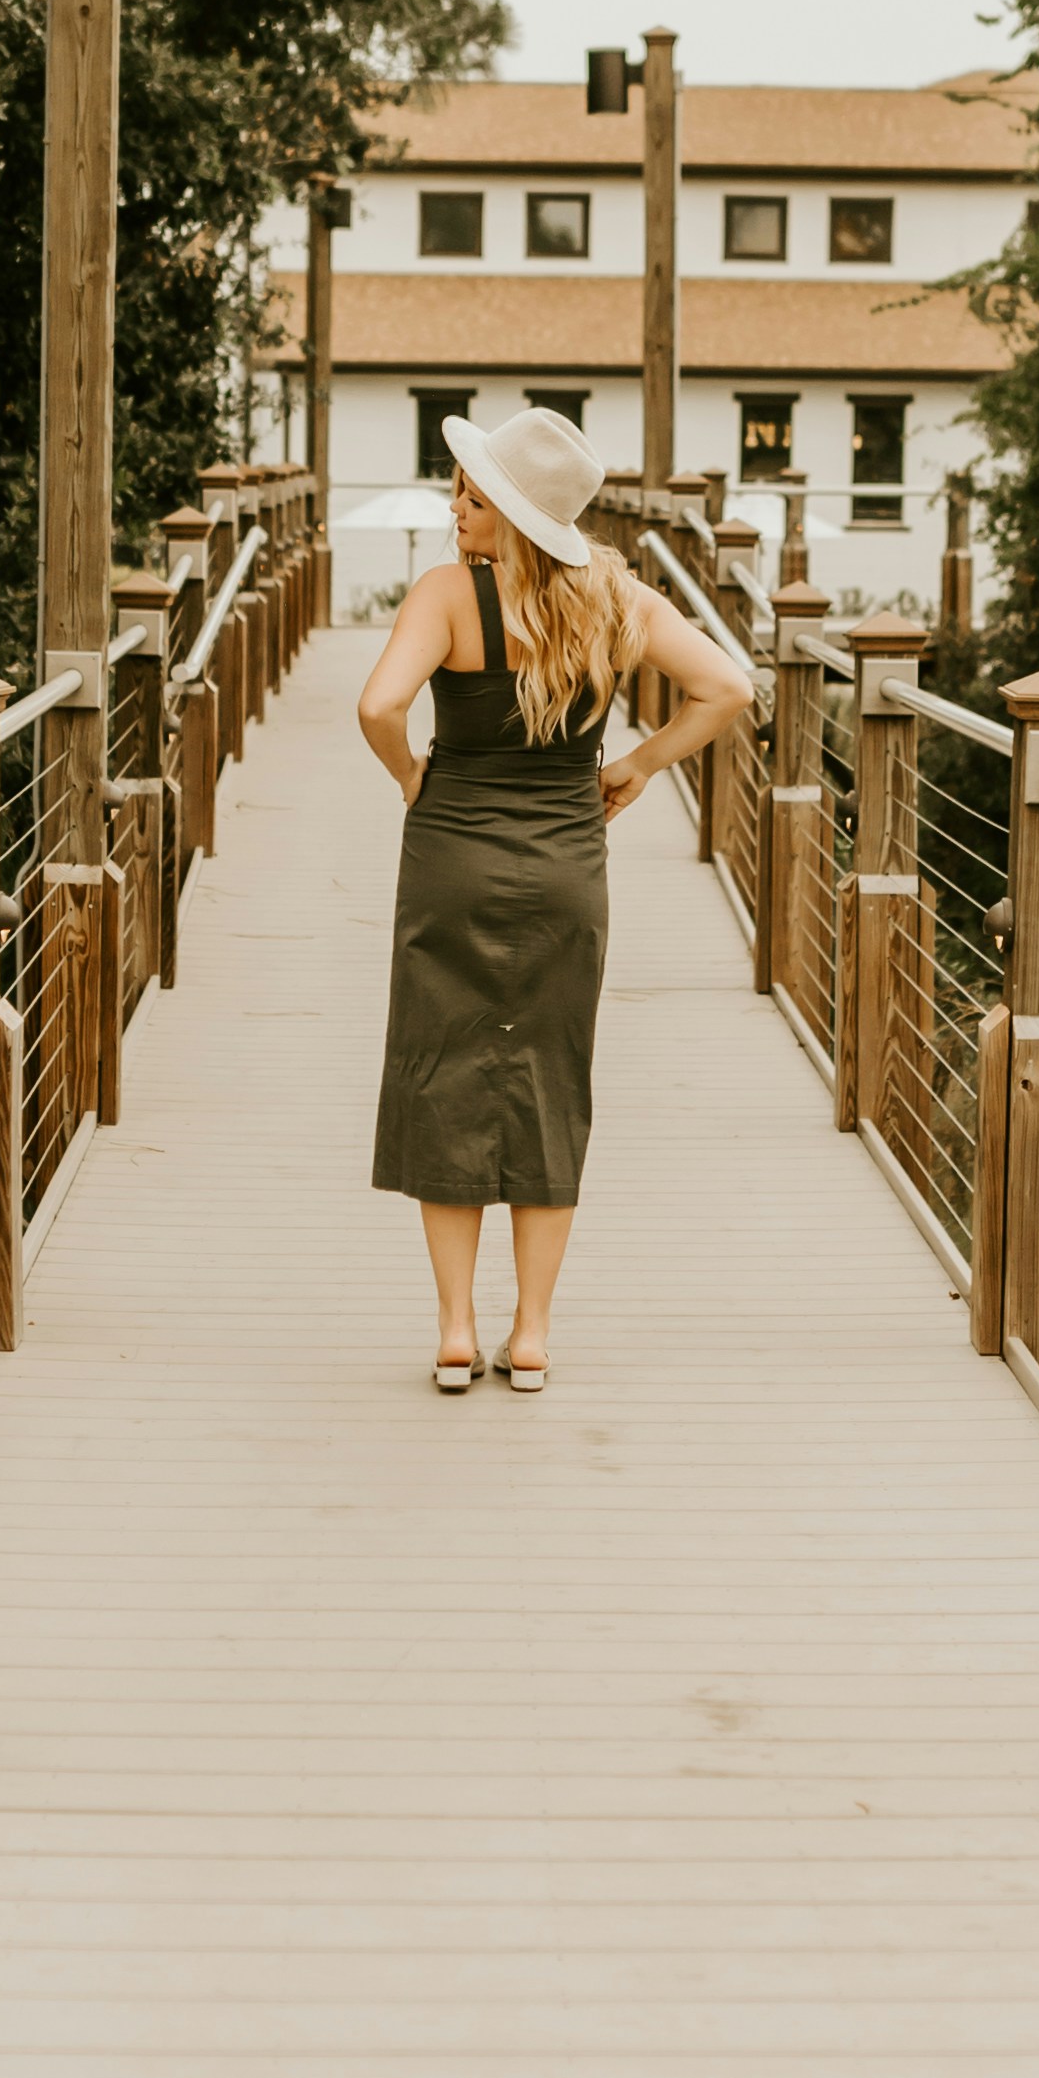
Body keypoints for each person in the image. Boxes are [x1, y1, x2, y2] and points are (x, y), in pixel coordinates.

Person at [356, 404, 750, 1391]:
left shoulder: (446, 595)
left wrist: (409, 774)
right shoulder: (618, 599)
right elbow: (729, 687)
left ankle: (456, 1330)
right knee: (549, 1079)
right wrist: (642, 762)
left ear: (514, 513)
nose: (455, 509)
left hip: (448, 858)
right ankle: (529, 1334)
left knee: (443, 1073)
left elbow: (378, 704)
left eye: (474, 497)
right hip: (568, 866)